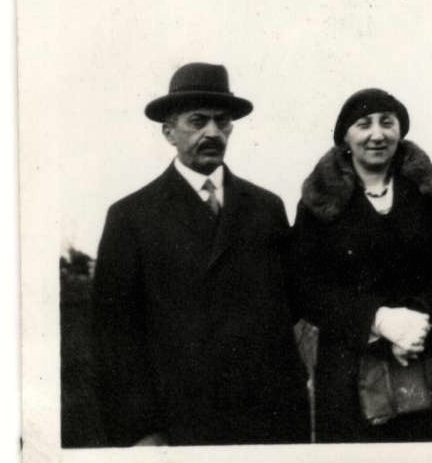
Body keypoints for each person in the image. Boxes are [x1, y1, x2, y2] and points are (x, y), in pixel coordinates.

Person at [91, 62, 309, 446]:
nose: (212, 132)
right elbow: (116, 338)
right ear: (168, 131)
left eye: (222, 122)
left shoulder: (266, 207)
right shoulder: (131, 217)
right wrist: (142, 431)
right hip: (182, 426)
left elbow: (288, 310)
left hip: (266, 424)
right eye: (198, 121)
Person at [290, 88, 432, 442]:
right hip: (349, 373)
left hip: (425, 364)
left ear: (400, 132)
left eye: (387, 122)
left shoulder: (429, 193)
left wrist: (418, 318)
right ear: (345, 138)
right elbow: (304, 284)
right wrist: (377, 320)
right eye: (363, 124)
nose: (377, 134)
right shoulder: (318, 203)